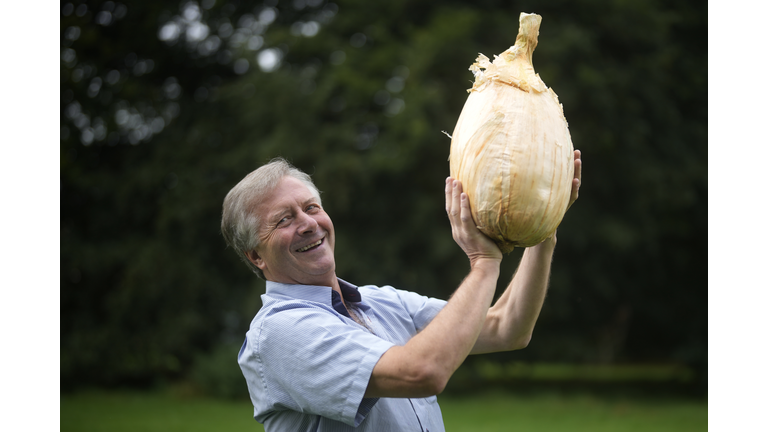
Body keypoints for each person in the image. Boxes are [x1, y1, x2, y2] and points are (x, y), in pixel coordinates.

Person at [221, 152, 582, 431]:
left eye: (311, 207)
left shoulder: (381, 301)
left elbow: (507, 328)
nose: (308, 224)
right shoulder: (280, 333)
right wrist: (484, 262)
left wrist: (543, 228)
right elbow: (422, 372)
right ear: (256, 256)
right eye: (284, 219)